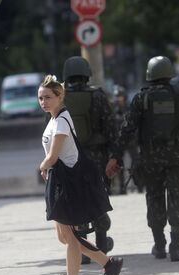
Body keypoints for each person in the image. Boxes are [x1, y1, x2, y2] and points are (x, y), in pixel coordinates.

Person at [106, 56, 179, 262]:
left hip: (151, 158)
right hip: (178, 157)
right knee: (178, 197)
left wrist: (116, 156)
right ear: (169, 73)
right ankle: (176, 247)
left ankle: (159, 246)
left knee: (154, 198)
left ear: (149, 75)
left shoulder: (141, 98)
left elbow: (127, 129)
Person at [39, 74, 123, 275]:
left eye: (48, 97)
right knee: (65, 237)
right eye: (40, 98)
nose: (43, 102)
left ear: (60, 97)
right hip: (60, 181)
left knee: (70, 236)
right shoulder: (54, 119)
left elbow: (53, 155)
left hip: (69, 183)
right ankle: (107, 263)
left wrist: (43, 165)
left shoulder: (63, 120)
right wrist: (48, 167)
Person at [62, 56, 116, 264]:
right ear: (86, 73)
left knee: (76, 201)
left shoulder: (60, 98)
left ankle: (82, 247)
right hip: (96, 158)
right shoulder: (98, 96)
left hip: (70, 159)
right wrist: (115, 155)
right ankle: (101, 243)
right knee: (98, 198)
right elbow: (111, 128)